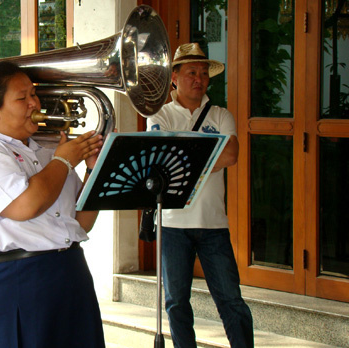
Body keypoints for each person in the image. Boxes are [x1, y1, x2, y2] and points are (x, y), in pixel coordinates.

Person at [0, 61, 106, 348]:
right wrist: (65, 160)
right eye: (22, 98)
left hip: (68, 275)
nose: (35, 102)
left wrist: (94, 170)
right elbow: (25, 206)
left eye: (34, 94)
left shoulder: (47, 153)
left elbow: (81, 223)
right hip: (9, 282)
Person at [144, 43, 254, 348]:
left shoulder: (220, 114)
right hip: (172, 223)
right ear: (175, 77)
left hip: (214, 224)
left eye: (204, 73)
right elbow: (163, 160)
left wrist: (183, 152)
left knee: (231, 300)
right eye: (192, 72)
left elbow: (230, 155)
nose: (199, 78)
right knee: (176, 302)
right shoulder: (159, 116)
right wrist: (206, 151)